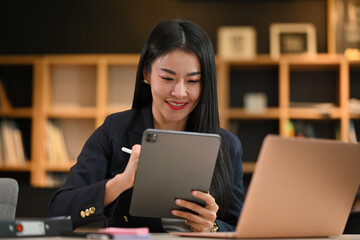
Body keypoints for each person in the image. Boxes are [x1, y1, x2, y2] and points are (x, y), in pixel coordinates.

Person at [47, 19, 244, 233]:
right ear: (146, 74)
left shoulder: (228, 146)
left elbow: (240, 227)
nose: (179, 92)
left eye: (193, 81)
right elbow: (57, 213)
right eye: (168, 78)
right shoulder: (115, 130)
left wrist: (212, 226)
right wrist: (120, 183)